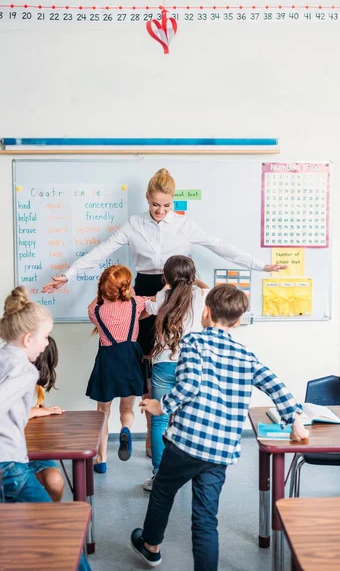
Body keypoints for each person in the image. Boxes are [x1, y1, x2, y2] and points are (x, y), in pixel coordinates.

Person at [42, 168, 286, 456]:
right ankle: (151, 433)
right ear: (147, 199)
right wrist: (68, 276)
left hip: (178, 291)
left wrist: (261, 266)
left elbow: (222, 248)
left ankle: (167, 434)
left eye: (166, 205)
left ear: (173, 202)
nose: (160, 211)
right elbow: (101, 250)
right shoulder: (134, 225)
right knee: (146, 362)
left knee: (176, 359)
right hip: (145, 289)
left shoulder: (185, 226)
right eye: (155, 205)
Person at [131, 284, 309, 570]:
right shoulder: (246, 356)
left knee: (164, 490)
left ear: (206, 312)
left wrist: (159, 406)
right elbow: (276, 385)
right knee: (205, 518)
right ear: (238, 321)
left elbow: (188, 386)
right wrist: (294, 420)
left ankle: (151, 546)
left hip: (187, 442)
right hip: (220, 450)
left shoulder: (194, 343)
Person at [0, 286, 91, 571]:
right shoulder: (26, 371)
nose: (45, 345)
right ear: (28, 338)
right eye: (44, 337)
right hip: (9, 466)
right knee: (59, 532)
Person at [142, 255, 209, 492]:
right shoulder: (199, 296)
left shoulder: (162, 296)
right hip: (191, 364)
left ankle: (160, 476)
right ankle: (186, 474)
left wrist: (168, 285)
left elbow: (148, 307)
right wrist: (192, 281)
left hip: (163, 364)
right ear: (192, 275)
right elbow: (206, 287)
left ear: (166, 277)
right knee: (188, 419)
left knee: (159, 420)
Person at [86, 264, 148, 473]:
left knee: (103, 412)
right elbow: (150, 308)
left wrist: (103, 293)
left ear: (103, 287)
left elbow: (98, 301)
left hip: (107, 360)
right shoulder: (136, 304)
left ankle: (101, 460)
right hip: (130, 358)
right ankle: (126, 429)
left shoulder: (95, 309)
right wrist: (131, 294)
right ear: (126, 287)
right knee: (127, 408)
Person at [29, 336, 65, 501]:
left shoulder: (37, 387)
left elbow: (33, 407)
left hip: (34, 448)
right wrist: (35, 411)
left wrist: (41, 409)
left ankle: (50, 515)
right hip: (11, 453)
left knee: (55, 481)